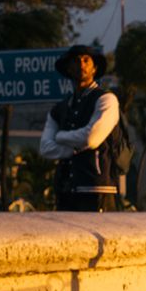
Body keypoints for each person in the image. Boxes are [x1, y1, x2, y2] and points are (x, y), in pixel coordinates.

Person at [41, 44, 123, 211]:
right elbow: (45, 148)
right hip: (66, 190)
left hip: (98, 190)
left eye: (86, 60)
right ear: (68, 69)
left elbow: (91, 138)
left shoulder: (106, 100)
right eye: (76, 61)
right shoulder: (60, 108)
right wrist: (75, 149)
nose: (81, 65)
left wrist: (60, 137)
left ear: (94, 68)